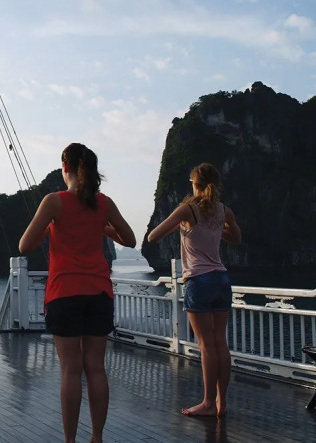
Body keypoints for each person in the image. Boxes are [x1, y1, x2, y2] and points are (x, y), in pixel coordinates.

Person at [19, 143, 136, 443]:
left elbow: (24, 246)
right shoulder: (104, 203)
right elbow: (130, 239)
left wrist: (49, 227)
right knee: (96, 368)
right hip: (98, 292)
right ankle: (97, 437)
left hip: (64, 293)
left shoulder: (54, 202)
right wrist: (103, 228)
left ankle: (70, 440)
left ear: (65, 167)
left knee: (71, 370)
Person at [147, 162, 241, 417]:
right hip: (221, 279)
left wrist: (181, 225)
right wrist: (216, 230)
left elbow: (153, 236)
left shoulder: (187, 209)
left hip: (199, 281)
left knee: (206, 345)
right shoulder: (224, 210)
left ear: (194, 184)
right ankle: (221, 402)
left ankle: (208, 403)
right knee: (220, 343)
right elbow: (236, 237)